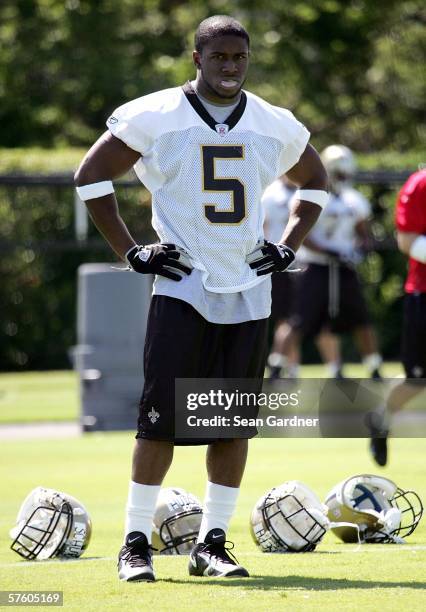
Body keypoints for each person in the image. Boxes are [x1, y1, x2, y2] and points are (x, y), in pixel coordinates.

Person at [74, 15, 327, 582]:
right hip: (184, 286)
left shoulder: (271, 121)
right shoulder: (156, 114)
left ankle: (212, 544)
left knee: (232, 425)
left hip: (250, 291)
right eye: (219, 57)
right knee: (159, 423)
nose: (230, 67)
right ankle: (135, 542)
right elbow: (92, 176)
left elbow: (314, 182)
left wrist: (288, 245)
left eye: (240, 57)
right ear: (197, 58)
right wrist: (132, 251)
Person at [278, 144, 383, 379]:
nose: (342, 177)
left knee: (360, 318)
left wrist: (362, 247)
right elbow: (300, 231)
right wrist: (327, 251)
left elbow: (363, 232)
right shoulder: (313, 194)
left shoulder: (354, 200)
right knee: (299, 319)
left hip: (344, 266)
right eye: (339, 172)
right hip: (313, 266)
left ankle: (374, 365)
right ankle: (277, 364)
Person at [369, 168, 426, 466]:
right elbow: (407, 240)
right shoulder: (421, 184)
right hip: (424, 293)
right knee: (417, 380)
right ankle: (381, 420)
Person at [262, 176, 343, 380]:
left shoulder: (308, 190)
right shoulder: (271, 194)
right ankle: (286, 368)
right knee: (288, 320)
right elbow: (262, 228)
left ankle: (296, 368)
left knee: (309, 318)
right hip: (278, 265)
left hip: (304, 265)